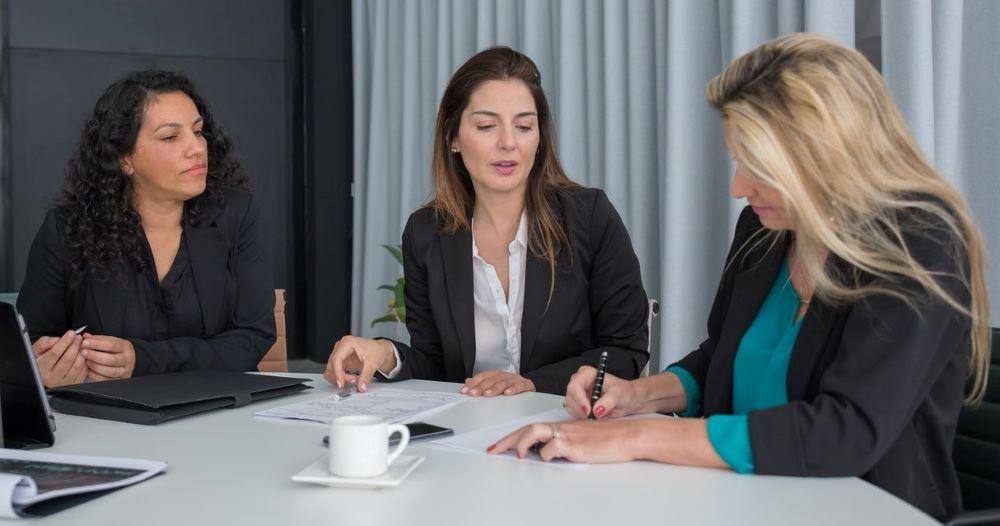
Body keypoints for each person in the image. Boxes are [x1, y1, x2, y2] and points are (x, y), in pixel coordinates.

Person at [490, 34, 990, 519]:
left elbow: (847, 432)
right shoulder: (765, 227)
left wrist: (638, 436)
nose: (738, 187)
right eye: (738, 161)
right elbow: (720, 359)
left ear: (827, 152)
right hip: (741, 499)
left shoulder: (920, 242)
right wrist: (636, 396)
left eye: (757, 165)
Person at [324, 47, 649, 396]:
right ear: (453, 138)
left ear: (539, 139)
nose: (508, 142)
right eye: (486, 126)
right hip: (470, 431)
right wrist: (384, 353)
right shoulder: (425, 233)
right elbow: (436, 363)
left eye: (524, 126)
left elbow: (625, 351)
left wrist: (532, 384)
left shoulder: (589, 217)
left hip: (567, 424)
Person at [18, 70, 275, 388]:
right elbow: (33, 344)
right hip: (109, 420)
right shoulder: (67, 229)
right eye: (171, 137)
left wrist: (142, 359)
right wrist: (45, 369)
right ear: (124, 158)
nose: (196, 148)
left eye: (198, 132)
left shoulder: (237, 214)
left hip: (220, 409)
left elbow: (253, 337)